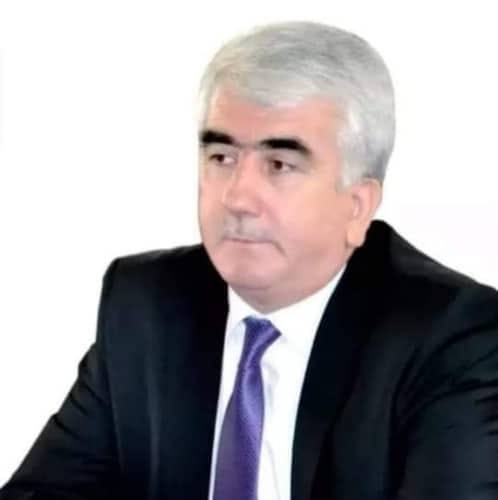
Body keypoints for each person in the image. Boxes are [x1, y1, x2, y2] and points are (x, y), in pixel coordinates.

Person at [1, 21, 498, 500]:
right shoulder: (146, 305)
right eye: (222, 158)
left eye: (279, 165)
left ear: (357, 205)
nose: (237, 197)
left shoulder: (452, 337)